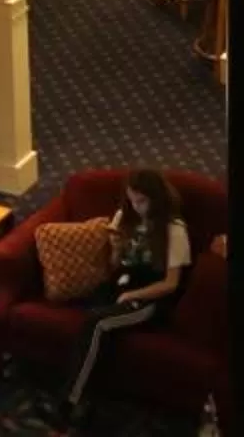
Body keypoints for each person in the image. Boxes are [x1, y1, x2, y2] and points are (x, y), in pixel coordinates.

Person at [65, 169, 192, 421]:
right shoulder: (126, 216)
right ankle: (92, 402)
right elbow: (115, 265)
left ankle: (70, 402)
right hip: (122, 285)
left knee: (98, 324)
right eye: (132, 200)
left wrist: (133, 294)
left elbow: (171, 283)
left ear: (156, 198)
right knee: (90, 317)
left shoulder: (173, 229)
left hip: (150, 297)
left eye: (141, 201)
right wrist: (115, 246)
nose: (136, 207)